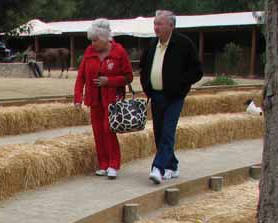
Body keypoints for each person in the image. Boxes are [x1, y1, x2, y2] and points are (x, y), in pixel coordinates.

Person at [139, 10, 203, 184]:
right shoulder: (152, 44)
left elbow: (197, 71)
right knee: (159, 133)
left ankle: (158, 168)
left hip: (175, 97)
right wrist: (147, 87)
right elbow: (144, 67)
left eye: (160, 24)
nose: (156, 27)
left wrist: (180, 85)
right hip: (156, 96)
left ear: (171, 26)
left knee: (168, 131)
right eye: (155, 23)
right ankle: (172, 165)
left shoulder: (184, 44)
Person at [73, 19, 133, 180]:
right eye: (91, 41)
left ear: (106, 38)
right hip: (94, 100)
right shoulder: (89, 52)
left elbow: (128, 77)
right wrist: (78, 97)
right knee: (98, 132)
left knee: (108, 129)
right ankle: (103, 164)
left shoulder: (119, 52)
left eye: (95, 40)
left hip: (112, 100)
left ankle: (114, 164)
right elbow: (81, 77)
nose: (93, 44)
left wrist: (110, 81)